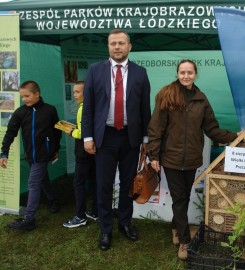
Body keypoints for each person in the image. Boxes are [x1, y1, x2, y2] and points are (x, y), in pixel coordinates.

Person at [147, 59, 240, 260]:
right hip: (170, 158)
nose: (186, 76)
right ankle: (184, 241)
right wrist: (153, 155)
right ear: (177, 73)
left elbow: (212, 129)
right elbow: (156, 128)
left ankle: (175, 228)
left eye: (190, 72)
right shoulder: (167, 95)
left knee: (184, 197)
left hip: (191, 159)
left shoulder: (201, 99)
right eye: (182, 72)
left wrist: (235, 137)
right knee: (180, 198)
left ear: (196, 74)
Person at [82, 29, 151, 251]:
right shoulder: (95, 71)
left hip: (130, 136)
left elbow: (144, 108)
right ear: (108, 46)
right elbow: (89, 107)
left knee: (128, 183)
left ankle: (124, 222)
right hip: (105, 136)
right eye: (113, 43)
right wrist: (88, 137)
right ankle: (105, 229)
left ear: (130, 46)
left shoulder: (140, 73)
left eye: (121, 43)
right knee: (104, 184)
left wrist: (146, 138)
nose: (117, 47)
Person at [0, 80, 62, 230]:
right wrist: (4, 152)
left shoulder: (50, 110)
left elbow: (57, 131)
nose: (24, 99)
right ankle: (53, 200)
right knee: (42, 179)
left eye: (27, 96)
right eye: (22, 97)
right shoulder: (20, 112)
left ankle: (29, 218)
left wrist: (55, 149)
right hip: (30, 155)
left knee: (33, 182)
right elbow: (10, 133)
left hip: (43, 154)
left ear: (37, 94)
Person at [63, 81, 97, 228]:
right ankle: (96, 210)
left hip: (84, 152)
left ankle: (80, 216)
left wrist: (71, 131)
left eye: (77, 92)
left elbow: (85, 132)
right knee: (94, 180)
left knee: (78, 183)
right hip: (93, 151)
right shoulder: (92, 106)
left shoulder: (84, 108)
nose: (75, 95)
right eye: (74, 92)